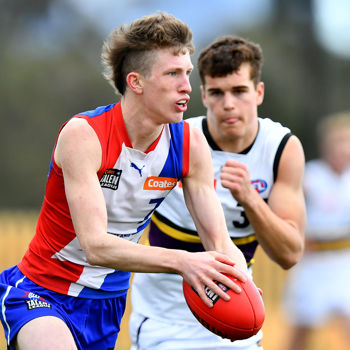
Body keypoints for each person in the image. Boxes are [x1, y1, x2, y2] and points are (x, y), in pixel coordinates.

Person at [0, 13, 249, 350]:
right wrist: (181, 261)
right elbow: (95, 246)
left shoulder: (190, 144)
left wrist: (240, 280)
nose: (187, 87)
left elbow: (220, 242)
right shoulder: (84, 135)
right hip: (42, 291)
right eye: (173, 74)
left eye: (187, 73)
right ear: (136, 82)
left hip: (107, 305)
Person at [129, 35, 306, 350]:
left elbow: (290, 253)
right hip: (164, 321)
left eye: (239, 91)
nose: (228, 104)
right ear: (203, 95)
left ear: (258, 92)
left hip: (236, 316)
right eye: (217, 92)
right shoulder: (176, 139)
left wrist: (251, 200)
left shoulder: (281, 148)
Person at [283, 112, 350, 350]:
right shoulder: (310, 176)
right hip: (314, 260)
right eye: (338, 144)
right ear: (327, 146)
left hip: (344, 261)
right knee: (301, 329)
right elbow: (287, 208)